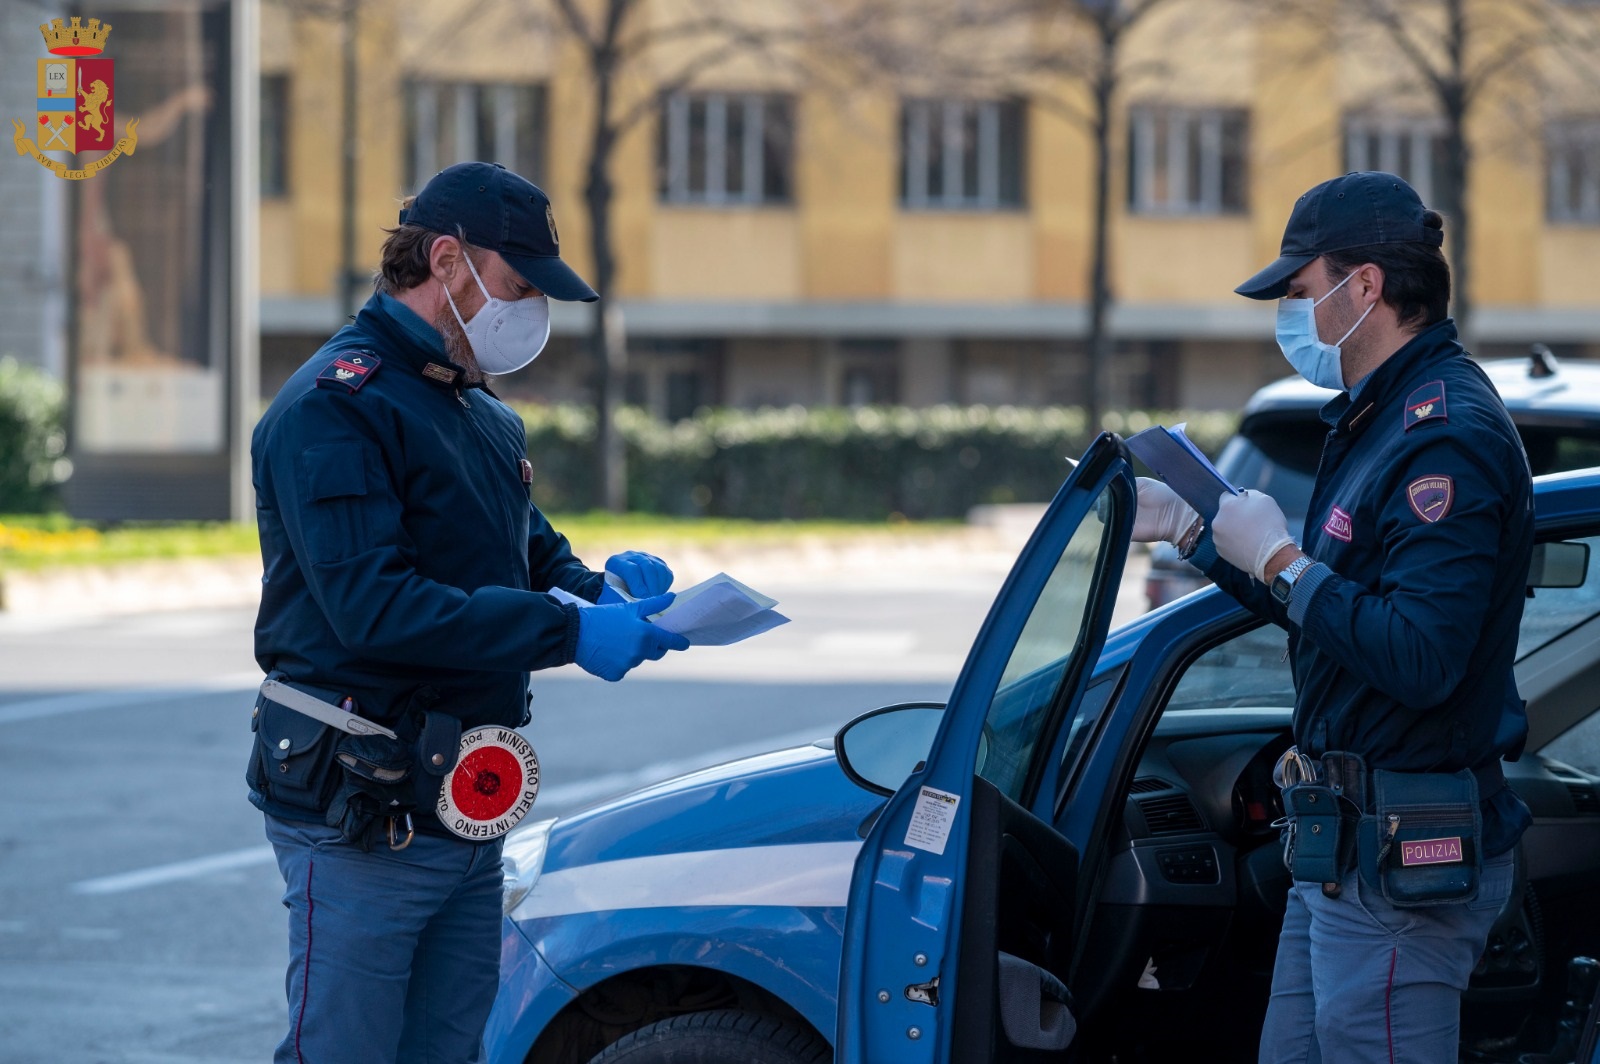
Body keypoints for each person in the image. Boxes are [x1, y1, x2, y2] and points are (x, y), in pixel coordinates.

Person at [246, 161, 690, 1064]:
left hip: (464, 800)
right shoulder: (337, 408)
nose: (530, 311)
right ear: (446, 261)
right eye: (520, 286)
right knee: (345, 1051)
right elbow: (377, 607)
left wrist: (605, 590)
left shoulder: (478, 412)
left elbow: (534, 559)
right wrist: (568, 631)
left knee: (453, 1049)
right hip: (363, 803)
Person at [1133, 171, 1534, 1063]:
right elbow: (1330, 614)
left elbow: (1422, 655)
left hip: (1401, 860)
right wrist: (1203, 535)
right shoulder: (1379, 419)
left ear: (1365, 288)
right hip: (1340, 846)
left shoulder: (1445, 434)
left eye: (1302, 291)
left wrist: (1282, 559)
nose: (1295, 316)